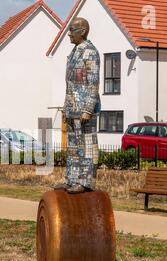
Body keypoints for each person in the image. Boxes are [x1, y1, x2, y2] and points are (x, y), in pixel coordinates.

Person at [54, 17, 101, 194]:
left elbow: (94, 83)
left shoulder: (90, 52)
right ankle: (71, 179)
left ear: (82, 31)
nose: (69, 34)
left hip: (84, 110)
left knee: (87, 146)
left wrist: (88, 109)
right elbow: (70, 85)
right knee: (73, 147)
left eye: (72, 30)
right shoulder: (74, 52)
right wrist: (66, 108)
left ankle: (85, 182)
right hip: (72, 108)